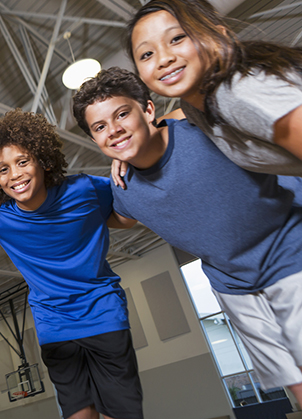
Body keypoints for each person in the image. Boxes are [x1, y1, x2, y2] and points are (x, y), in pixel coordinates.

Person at [73, 66, 302, 404]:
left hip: (289, 249)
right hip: (234, 285)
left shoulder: (197, 127)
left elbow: (208, 101)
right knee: (295, 386)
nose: (114, 130)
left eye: (122, 114)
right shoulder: (125, 191)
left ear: (149, 110)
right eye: (101, 127)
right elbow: (121, 220)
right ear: (94, 140)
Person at [0, 109, 142, 419]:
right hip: (54, 327)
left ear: (44, 161)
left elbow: (127, 206)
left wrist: (127, 160)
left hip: (103, 316)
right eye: (3, 169)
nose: (14, 175)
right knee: (78, 414)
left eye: (22, 162)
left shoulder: (84, 190)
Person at [112, 0, 302, 187]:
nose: (164, 59)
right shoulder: (196, 103)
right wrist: (131, 143)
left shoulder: (238, 93)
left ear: (218, 36)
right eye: (146, 54)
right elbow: (179, 115)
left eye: (177, 38)